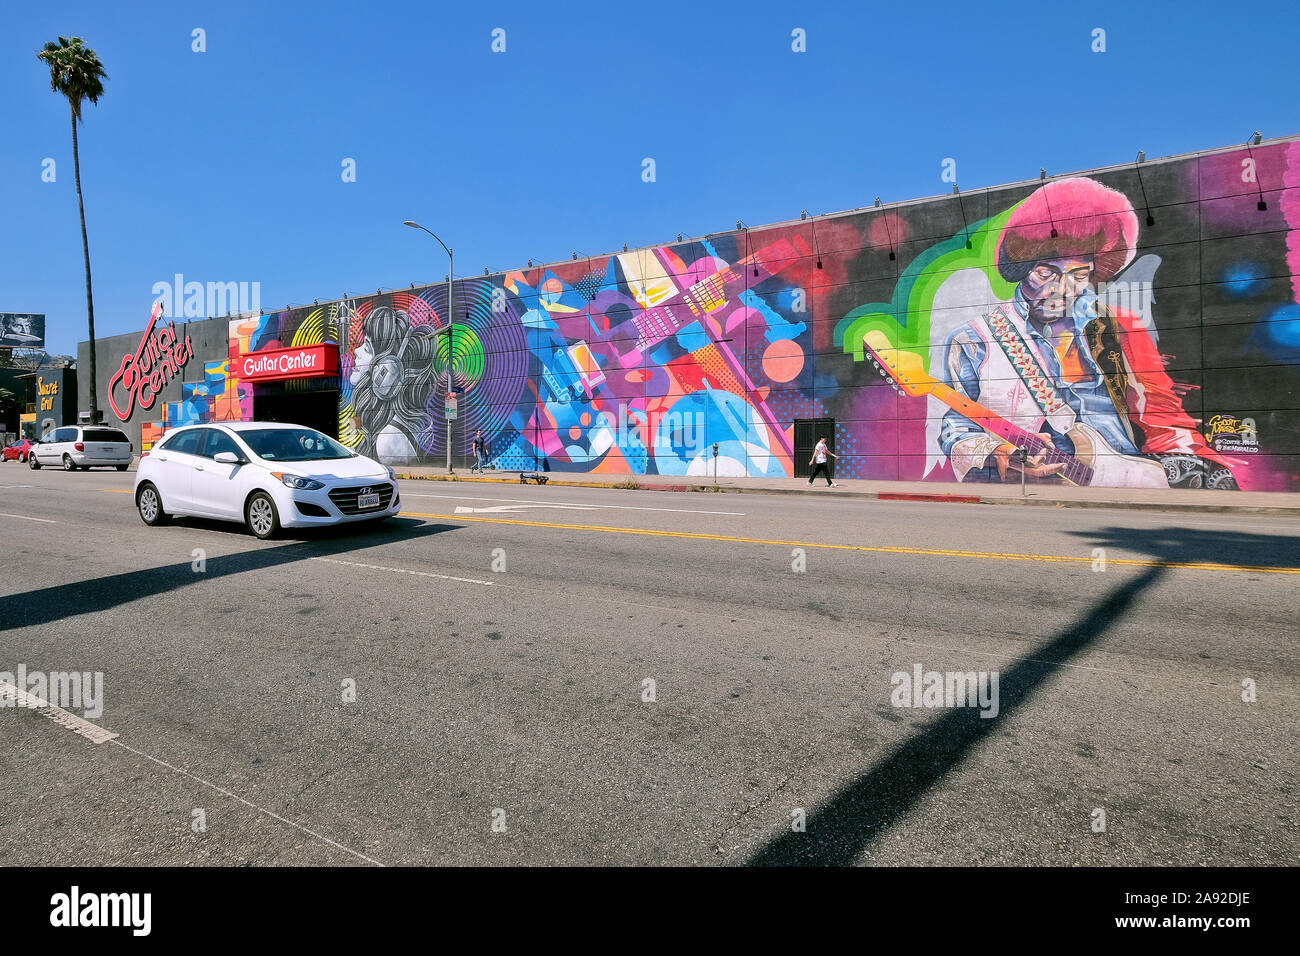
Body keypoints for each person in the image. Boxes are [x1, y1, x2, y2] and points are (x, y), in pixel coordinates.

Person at [937, 177, 1233, 488]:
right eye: (1046, 273)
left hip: (1133, 477)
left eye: (1079, 274)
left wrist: (1192, 468)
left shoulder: (1120, 328)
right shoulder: (975, 340)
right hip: (1049, 485)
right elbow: (958, 426)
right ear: (1022, 267)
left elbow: (1162, 414)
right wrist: (998, 454)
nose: (1062, 290)